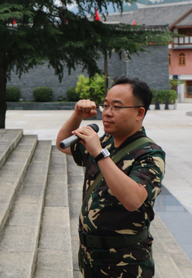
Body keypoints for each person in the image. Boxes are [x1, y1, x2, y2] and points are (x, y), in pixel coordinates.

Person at [56, 76, 165, 277]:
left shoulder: (149, 154)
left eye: (117, 107)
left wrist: (99, 154)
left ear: (139, 113)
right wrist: (77, 115)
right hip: (91, 259)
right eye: (105, 105)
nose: (107, 112)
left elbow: (133, 200)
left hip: (126, 264)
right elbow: (63, 144)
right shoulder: (105, 142)